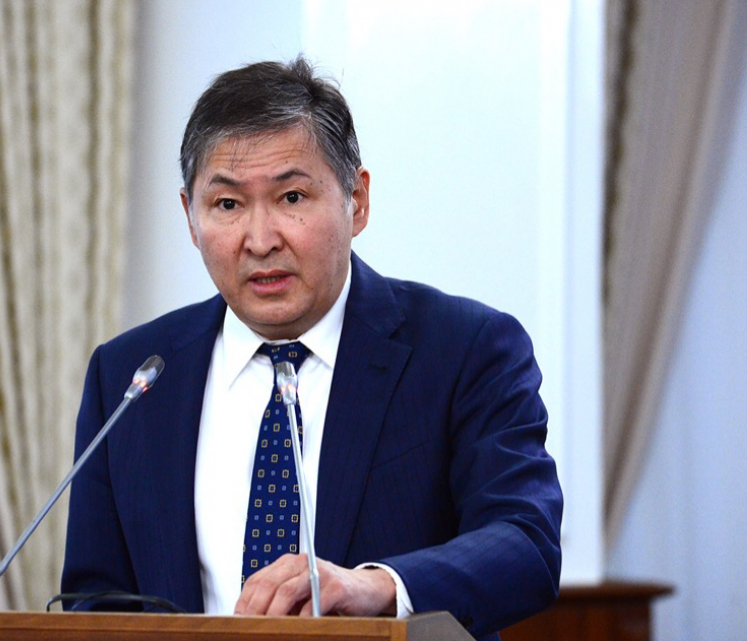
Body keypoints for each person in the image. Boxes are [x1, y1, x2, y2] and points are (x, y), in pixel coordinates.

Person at [61, 57, 562, 641]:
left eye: (292, 197)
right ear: (191, 219)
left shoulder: (464, 349)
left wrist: (378, 587)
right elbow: (95, 599)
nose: (260, 240)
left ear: (357, 200)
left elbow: (525, 542)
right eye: (227, 205)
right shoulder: (133, 376)